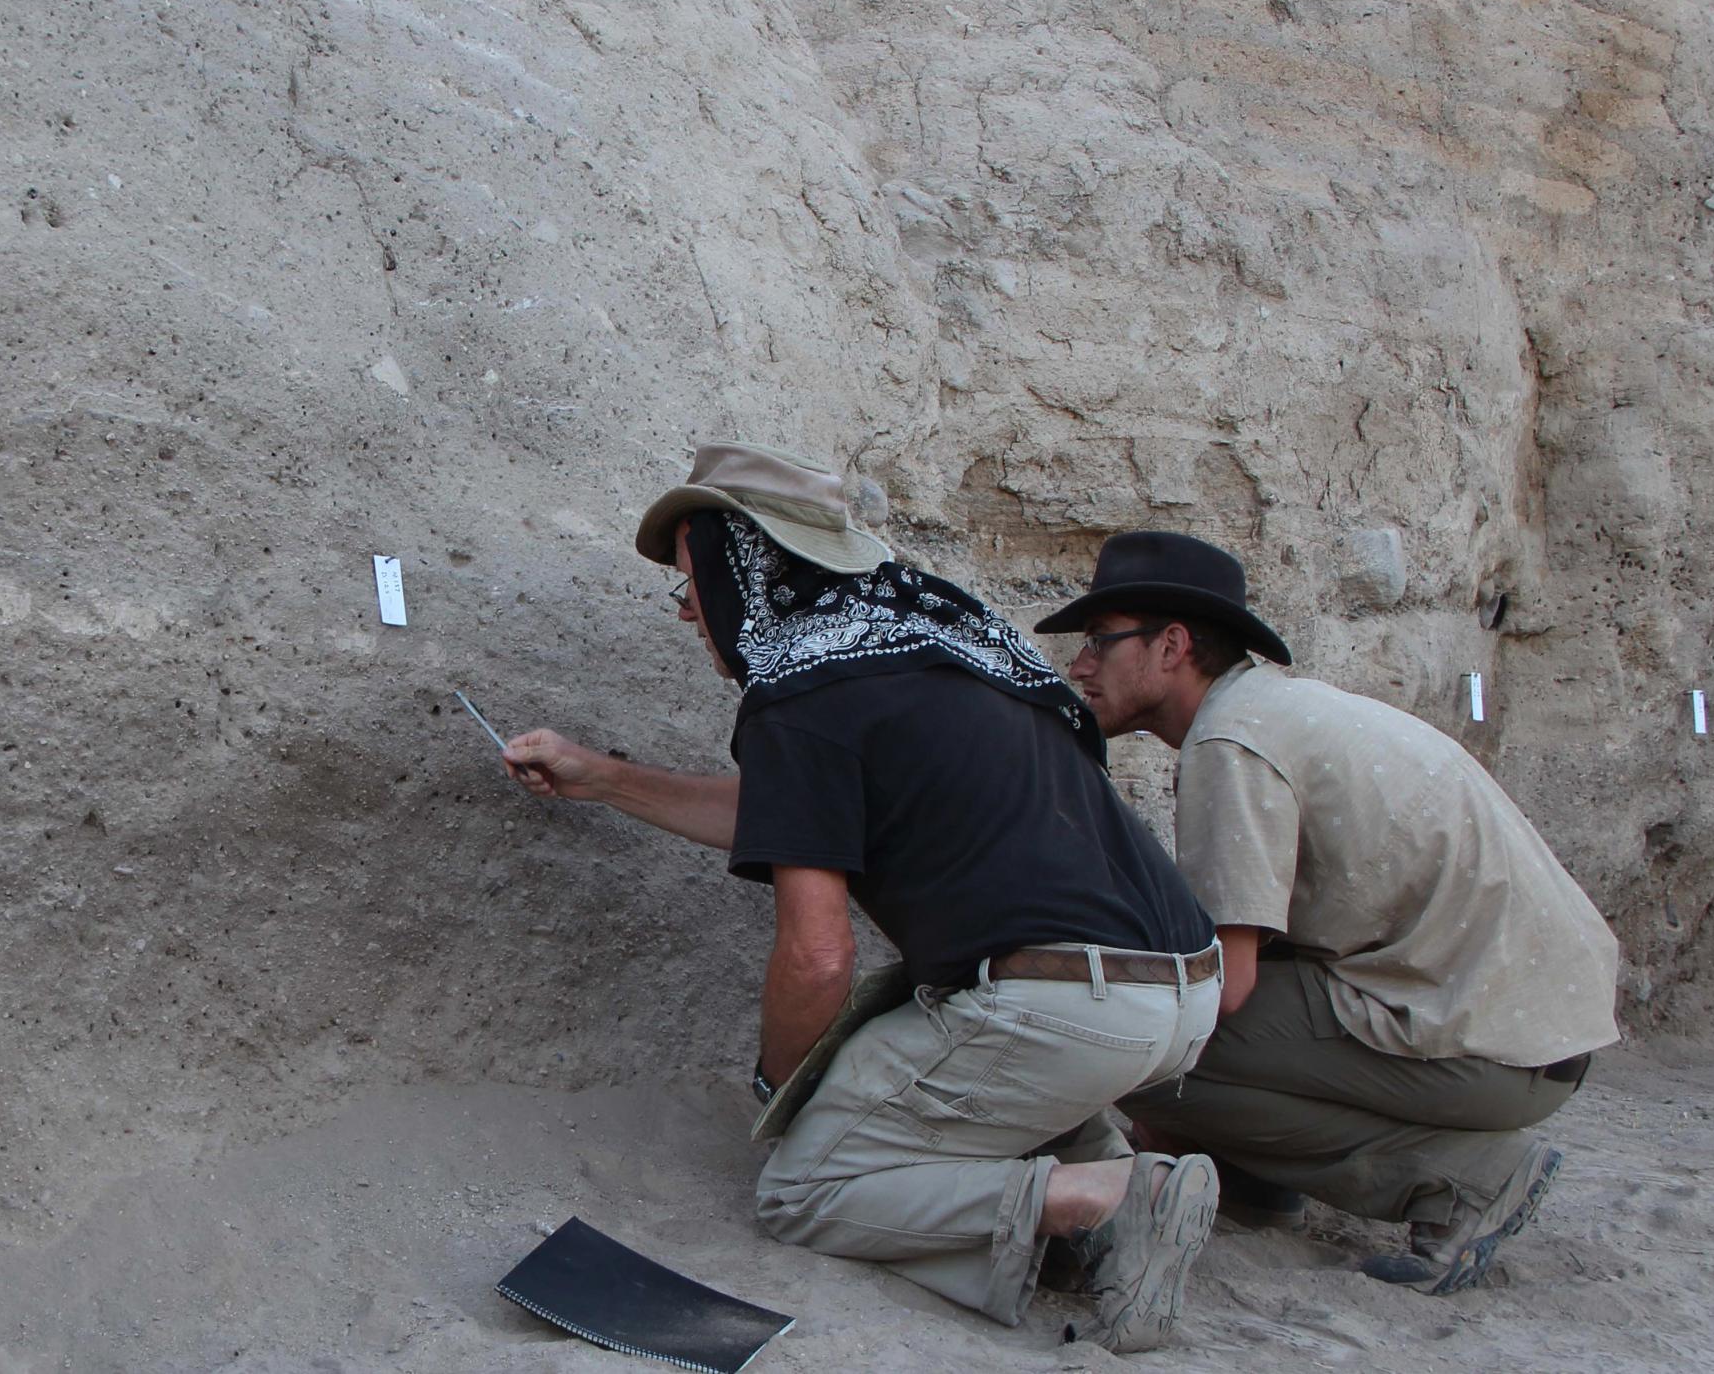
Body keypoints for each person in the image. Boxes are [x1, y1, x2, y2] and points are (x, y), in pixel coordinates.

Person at [501, 442, 1225, 1351]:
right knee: (978, 1062)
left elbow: (819, 955)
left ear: (746, 569)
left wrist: (784, 1086)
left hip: (1060, 1005)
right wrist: (600, 778)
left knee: (807, 1189)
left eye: (691, 582)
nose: (688, 611)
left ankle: (1111, 1199)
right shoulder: (951, 644)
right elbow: (797, 818)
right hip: (1181, 990)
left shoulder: (801, 689)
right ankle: (1105, 1183)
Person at [1035, 529, 1622, 1294]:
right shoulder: (1273, 710)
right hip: (1534, 1030)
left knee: (1140, 1047)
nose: (1080, 665)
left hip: (1497, 1053)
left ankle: (1461, 1178)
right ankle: (1252, 1180)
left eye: (1101, 641)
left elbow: (1227, 985)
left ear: (1172, 645)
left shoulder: (1231, 743)